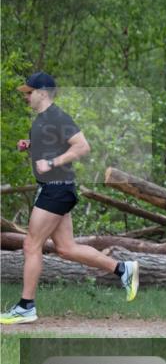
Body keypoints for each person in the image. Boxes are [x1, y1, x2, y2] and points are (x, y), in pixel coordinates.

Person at [1, 72, 138, 325]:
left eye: (29, 92)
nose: (26, 96)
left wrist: (52, 162)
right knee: (66, 248)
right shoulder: (42, 120)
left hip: (57, 188)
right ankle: (123, 269)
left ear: (43, 92)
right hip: (56, 189)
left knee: (31, 245)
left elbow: (82, 146)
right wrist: (30, 145)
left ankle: (26, 307)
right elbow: (53, 145)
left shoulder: (57, 116)